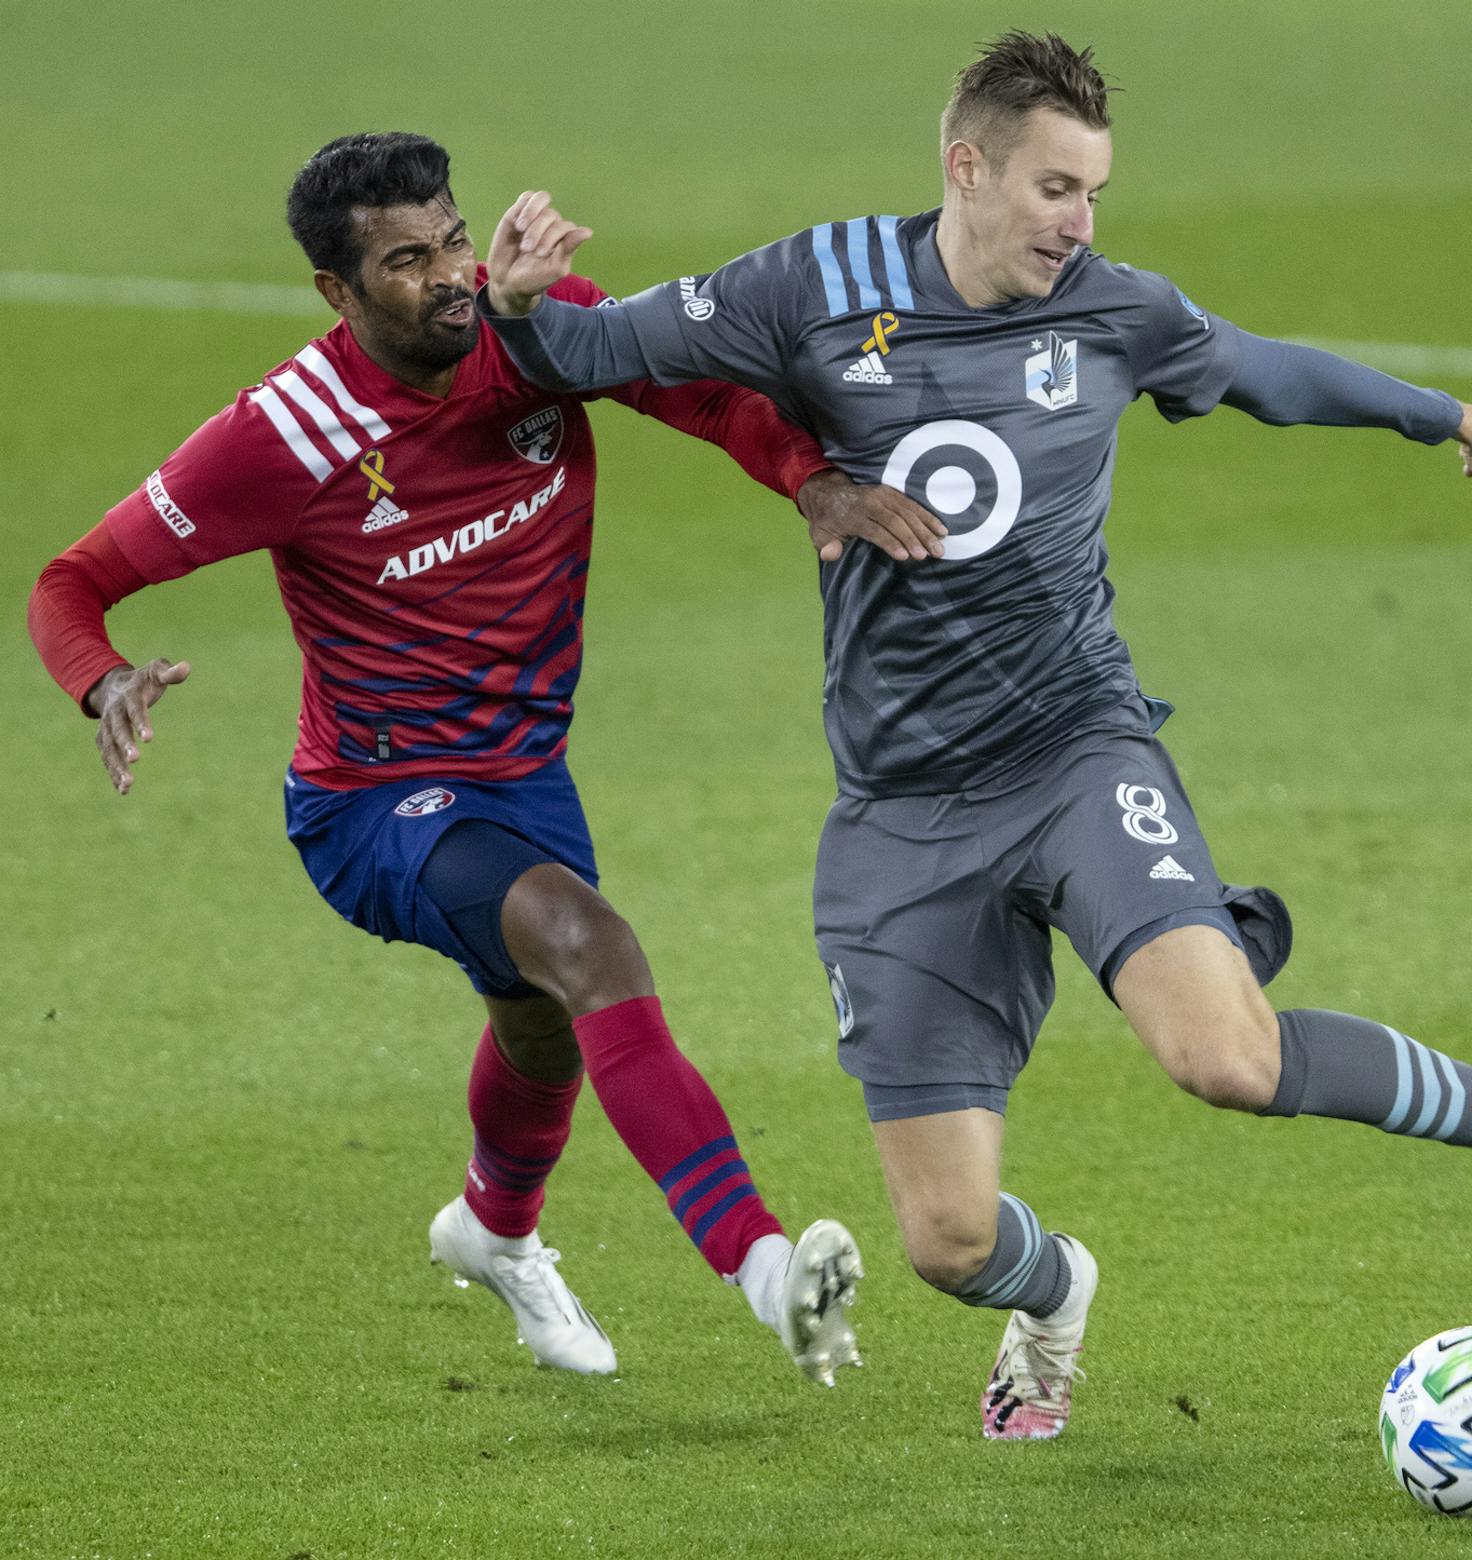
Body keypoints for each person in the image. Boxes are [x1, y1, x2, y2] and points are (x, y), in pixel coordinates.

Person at [479, 32, 1472, 1439]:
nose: (1079, 225)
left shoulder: (1112, 312)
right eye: (1053, 190)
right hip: (902, 816)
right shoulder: (813, 283)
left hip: (1075, 753)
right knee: (950, 1245)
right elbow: (599, 351)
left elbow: (1264, 370)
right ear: (966, 167)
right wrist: (526, 306)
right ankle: (1058, 1295)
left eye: (1093, 193)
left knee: (1228, 1058)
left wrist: (1444, 413)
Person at [25, 133, 947, 1387]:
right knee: (592, 950)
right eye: (408, 262)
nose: (451, 275)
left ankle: (493, 1232)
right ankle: (771, 1273)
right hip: (370, 802)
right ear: (338, 296)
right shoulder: (286, 434)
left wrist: (810, 480)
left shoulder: (534, 327)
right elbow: (73, 580)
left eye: (452, 239)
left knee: (543, 1024)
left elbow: (707, 395)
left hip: (520, 776)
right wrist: (103, 679)